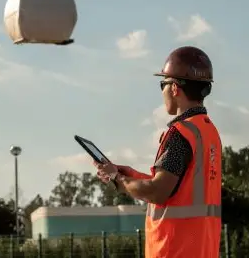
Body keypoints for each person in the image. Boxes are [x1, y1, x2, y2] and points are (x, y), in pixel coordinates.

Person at [94, 46, 222, 258]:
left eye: (162, 83)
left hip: (174, 250)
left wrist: (117, 179)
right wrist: (131, 175)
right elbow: (177, 190)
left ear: (174, 88)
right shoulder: (208, 132)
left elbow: (158, 192)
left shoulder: (181, 133)